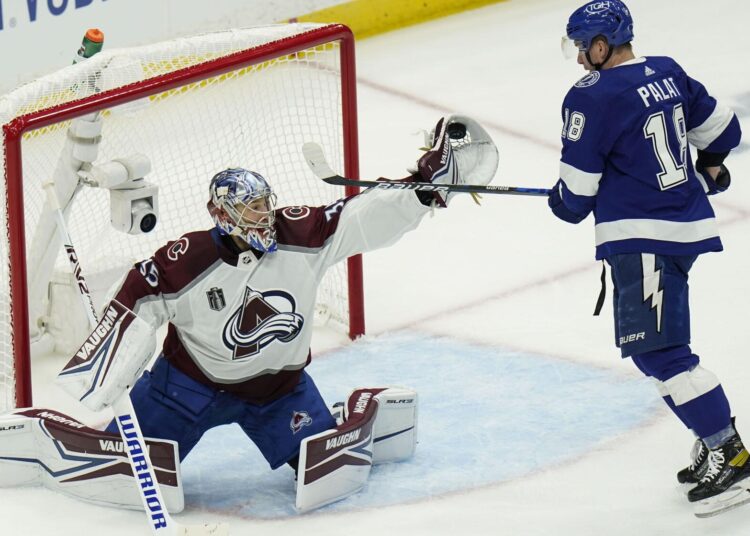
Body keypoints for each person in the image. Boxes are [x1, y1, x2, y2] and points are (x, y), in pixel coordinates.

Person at [55, 115, 498, 505]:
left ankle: (348, 414)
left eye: (265, 204)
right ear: (222, 215)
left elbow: (360, 216)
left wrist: (422, 187)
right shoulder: (187, 259)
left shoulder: (301, 233)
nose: (263, 216)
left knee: (327, 474)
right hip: (186, 390)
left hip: (278, 391)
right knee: (122, 473)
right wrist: (108, 369)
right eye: (249, 209)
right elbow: (138, 294)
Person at [549, 0, 744, 516]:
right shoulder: (667, 70)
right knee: (656, 349)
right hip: (681, 228)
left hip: (645, 237)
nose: (577, 61)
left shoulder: (591, 96)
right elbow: (726, 133)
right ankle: (712, 437)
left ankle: (731, 451)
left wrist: (560, 198)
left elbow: (574, 198)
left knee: (661, 353)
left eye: (580, 48)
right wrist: (709, 168)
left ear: (599, 44)